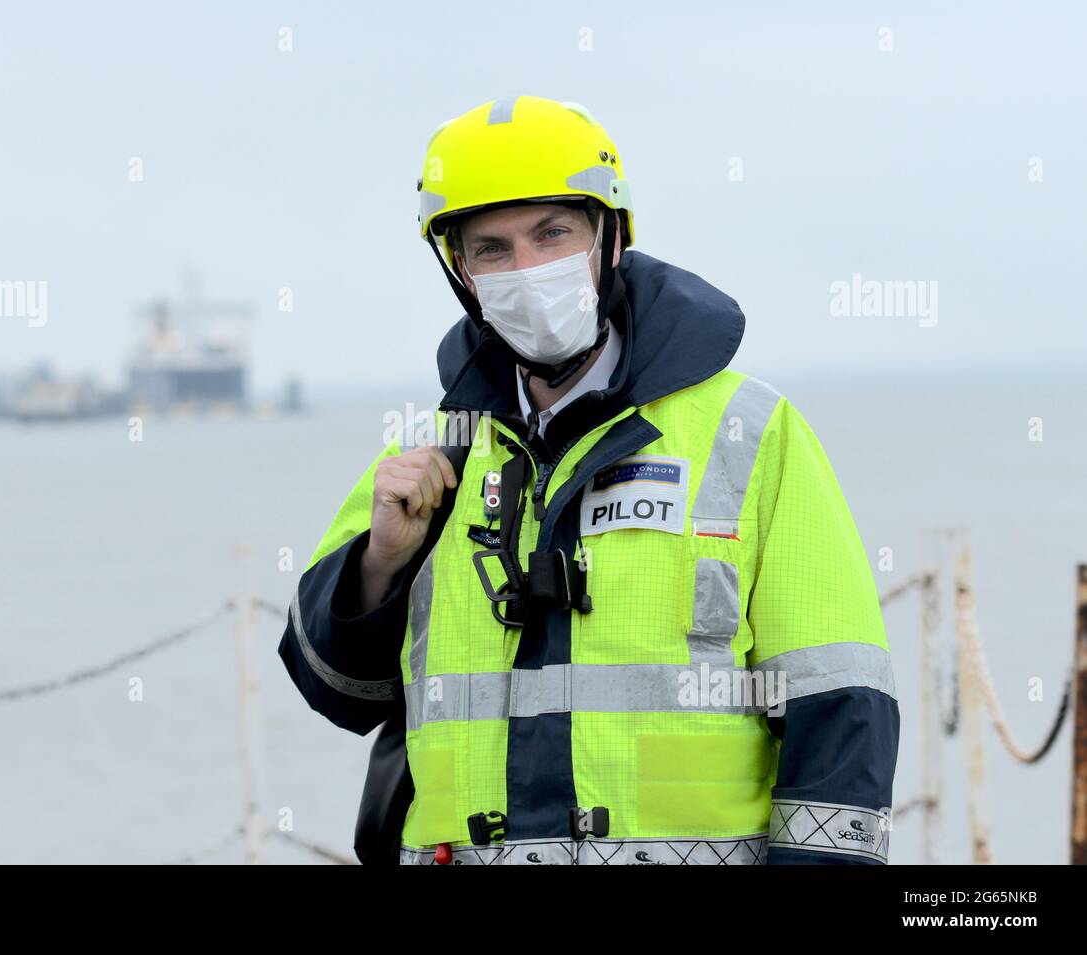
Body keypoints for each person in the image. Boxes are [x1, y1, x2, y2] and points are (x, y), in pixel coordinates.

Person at [278, 95, 899, 865]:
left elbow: (841, 701)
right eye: (493, 249)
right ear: (461, 272)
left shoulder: (751, 431)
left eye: (552, 234)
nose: (528, 271)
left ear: (610, 237)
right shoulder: (433, 454)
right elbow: (333, 689)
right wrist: (380, 563)